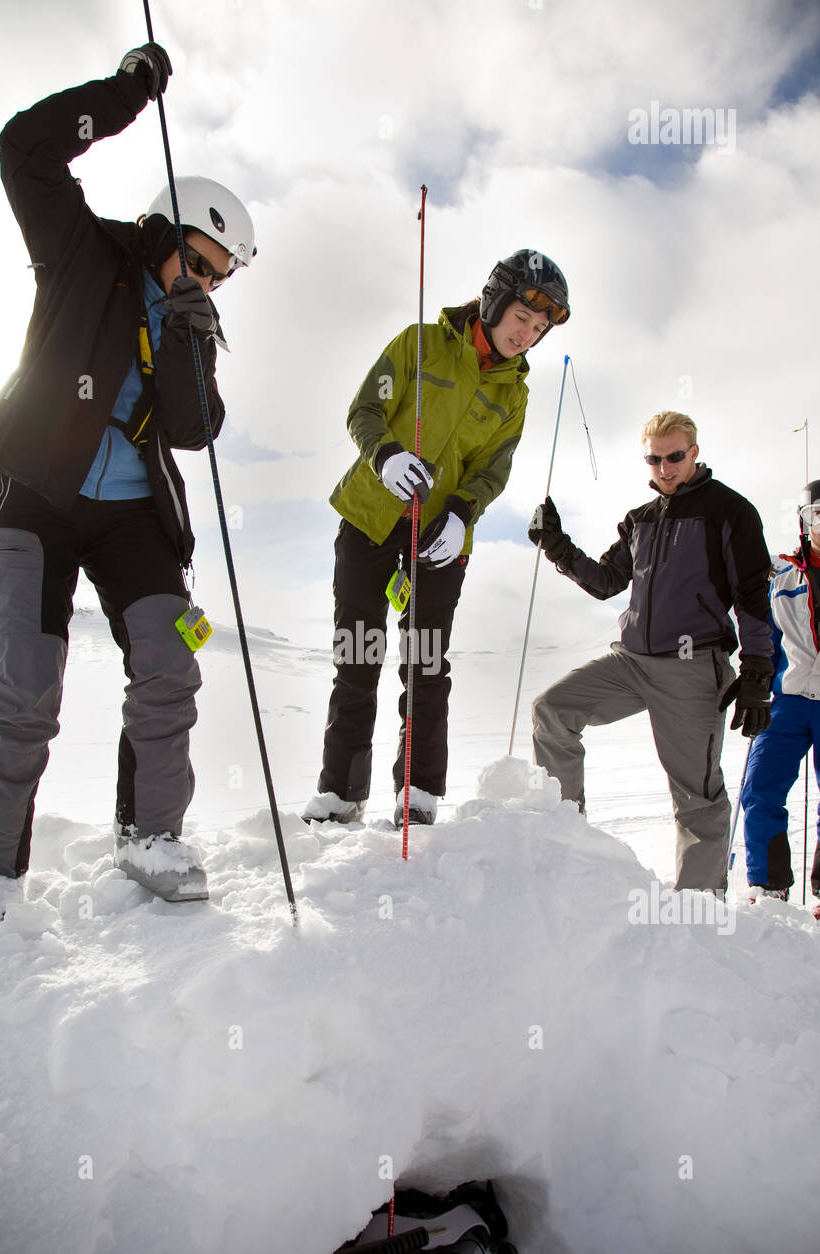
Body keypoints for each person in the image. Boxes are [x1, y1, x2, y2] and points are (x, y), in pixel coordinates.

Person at [0, 43, 255, 923]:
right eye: (199, 262)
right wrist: (125, 97)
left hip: (133, 518)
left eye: (219, 277)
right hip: (40, 494)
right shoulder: (83, 252)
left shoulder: (188, 322)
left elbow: (196, 431)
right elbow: (24, 151)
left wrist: (188, 335)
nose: (205, 282)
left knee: (170, 666)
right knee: (27, 687)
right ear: (168, 230)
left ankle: (149, 833)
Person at [302, 250, 571, 828]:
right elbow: (364, 410)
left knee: (425, 660)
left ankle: (417, 793)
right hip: (371, 516)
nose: (527, 336)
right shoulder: (418, 342)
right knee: (358, 653)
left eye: (539, 330)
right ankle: (340, 794)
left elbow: (492, 468)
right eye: (523, 319)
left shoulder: (514, 395)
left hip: (440, 537)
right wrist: (385, 455)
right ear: (496, 301)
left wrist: (462, 513)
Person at [529, 410, 774, 892]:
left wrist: (758, 669)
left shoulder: (730, 511)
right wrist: (556, 544)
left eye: (675, 457)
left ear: (695, 453)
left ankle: (699, 909)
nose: (665, 468)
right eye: (655, 459)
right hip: (631, 660)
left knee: (696, 796)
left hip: (691, 666)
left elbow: (750, 595)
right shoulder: (641, 519)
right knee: (552, 711)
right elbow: (605, 582)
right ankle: (566, 844)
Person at [742, 480, 820, 915]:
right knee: (761, 788)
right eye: (817, 515)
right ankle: (769, 885)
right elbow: (765, 641)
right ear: (804, 522)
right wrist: (758, 687)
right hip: (789, 700)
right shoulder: (783, 581)